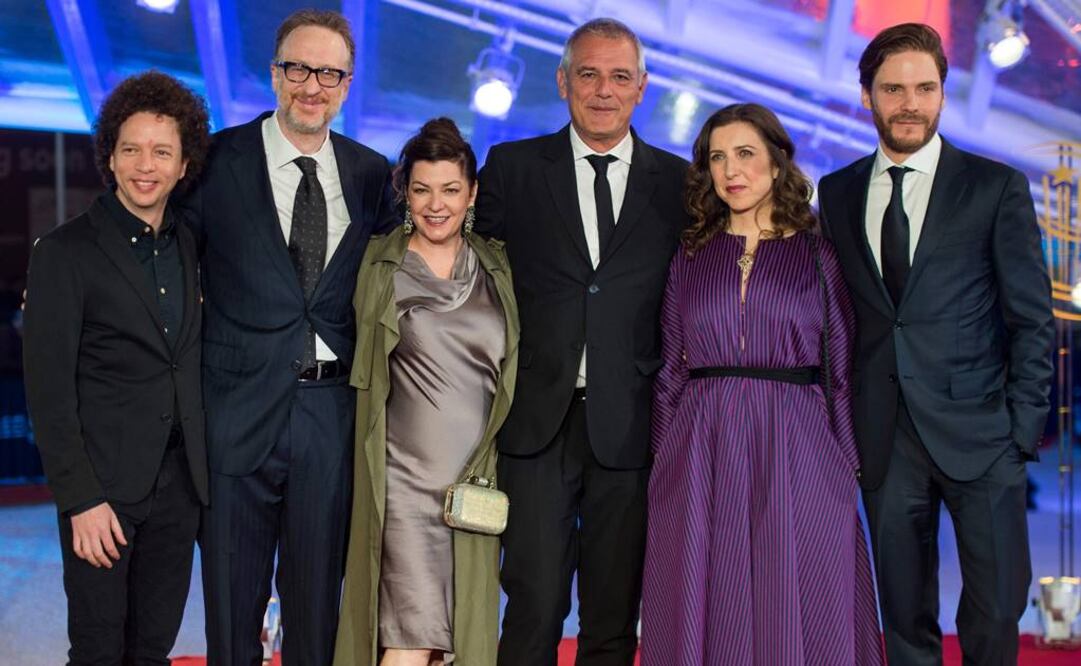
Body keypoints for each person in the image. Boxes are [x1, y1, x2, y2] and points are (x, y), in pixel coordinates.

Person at [818, 22, 1053, 665]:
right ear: (867, 95)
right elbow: (840, 316)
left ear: (944, 93)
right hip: (884, 436)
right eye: (893, 89)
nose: (910, 103)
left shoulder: (994, 186)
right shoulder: (835, 193)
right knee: (903, 615)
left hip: (984, 435)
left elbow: (1031, 318)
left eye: (924, 88)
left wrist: (1020, 430)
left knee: (995, 608)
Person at [180, 9, 396, 665]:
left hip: (330, 418)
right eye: (298, 68)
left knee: (317, 618)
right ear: (275, 74)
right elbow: (160, 253)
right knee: (230, 612)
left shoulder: (370, 174)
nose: (312, 85)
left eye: (329, 73)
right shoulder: (215, 160)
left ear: (347, 83)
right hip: (235, 416)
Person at [475, 17, 689, 665]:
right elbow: (475, 285)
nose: (603, 90)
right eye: (588, 74)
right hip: (535, 424)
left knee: (612, 612)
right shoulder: (513, 168)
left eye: (619, 77)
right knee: (533, 602)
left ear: (642, 88)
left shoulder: (680, 185)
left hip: (629, 426)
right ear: (563, 81)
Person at [640, 103, 883, 665]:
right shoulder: (690, 256)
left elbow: (839, 369)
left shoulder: (818, 256)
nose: (731, 171)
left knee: (798, 596)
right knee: (708, 593)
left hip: (797, 445)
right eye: (718, 158)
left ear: (777, 165)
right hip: (703, 447)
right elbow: (673, 366)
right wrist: (665, 458)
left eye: (745, 154)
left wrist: (845, 464)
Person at [22, 71, 210, 665]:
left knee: (152, 649)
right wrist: (79, 499)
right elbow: (48, 391)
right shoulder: (63, 252)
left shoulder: (192, 245)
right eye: (130, 149)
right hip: (103, 494)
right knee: (100, 651)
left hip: (180, 489)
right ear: (109, 155)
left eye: (162, 151)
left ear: (184, 165)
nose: (144, 165)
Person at [334, 117, 518, 666]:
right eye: (421, 190)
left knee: (457, 644)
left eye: (450, 190)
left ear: (472, 193)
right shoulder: (378, 265)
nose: (436, 204)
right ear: (404, 193)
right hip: (406, 484)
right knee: (410, 638)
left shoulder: (496, 265)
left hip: (477, 483)